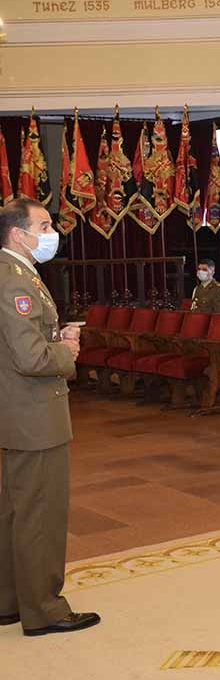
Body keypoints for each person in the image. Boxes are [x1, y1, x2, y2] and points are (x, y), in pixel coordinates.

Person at [0, 198, 100, 637]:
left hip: (20, 411)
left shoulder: (17, 274)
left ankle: (9, 600)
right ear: (17, 234)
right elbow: (30, 358)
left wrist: (55, 336)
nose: (51, 233)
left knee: (16, 510)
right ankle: (43, 608)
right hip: (34, 414)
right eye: (42, 226)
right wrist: (65, 351)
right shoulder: (15, 281)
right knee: (41, 513)